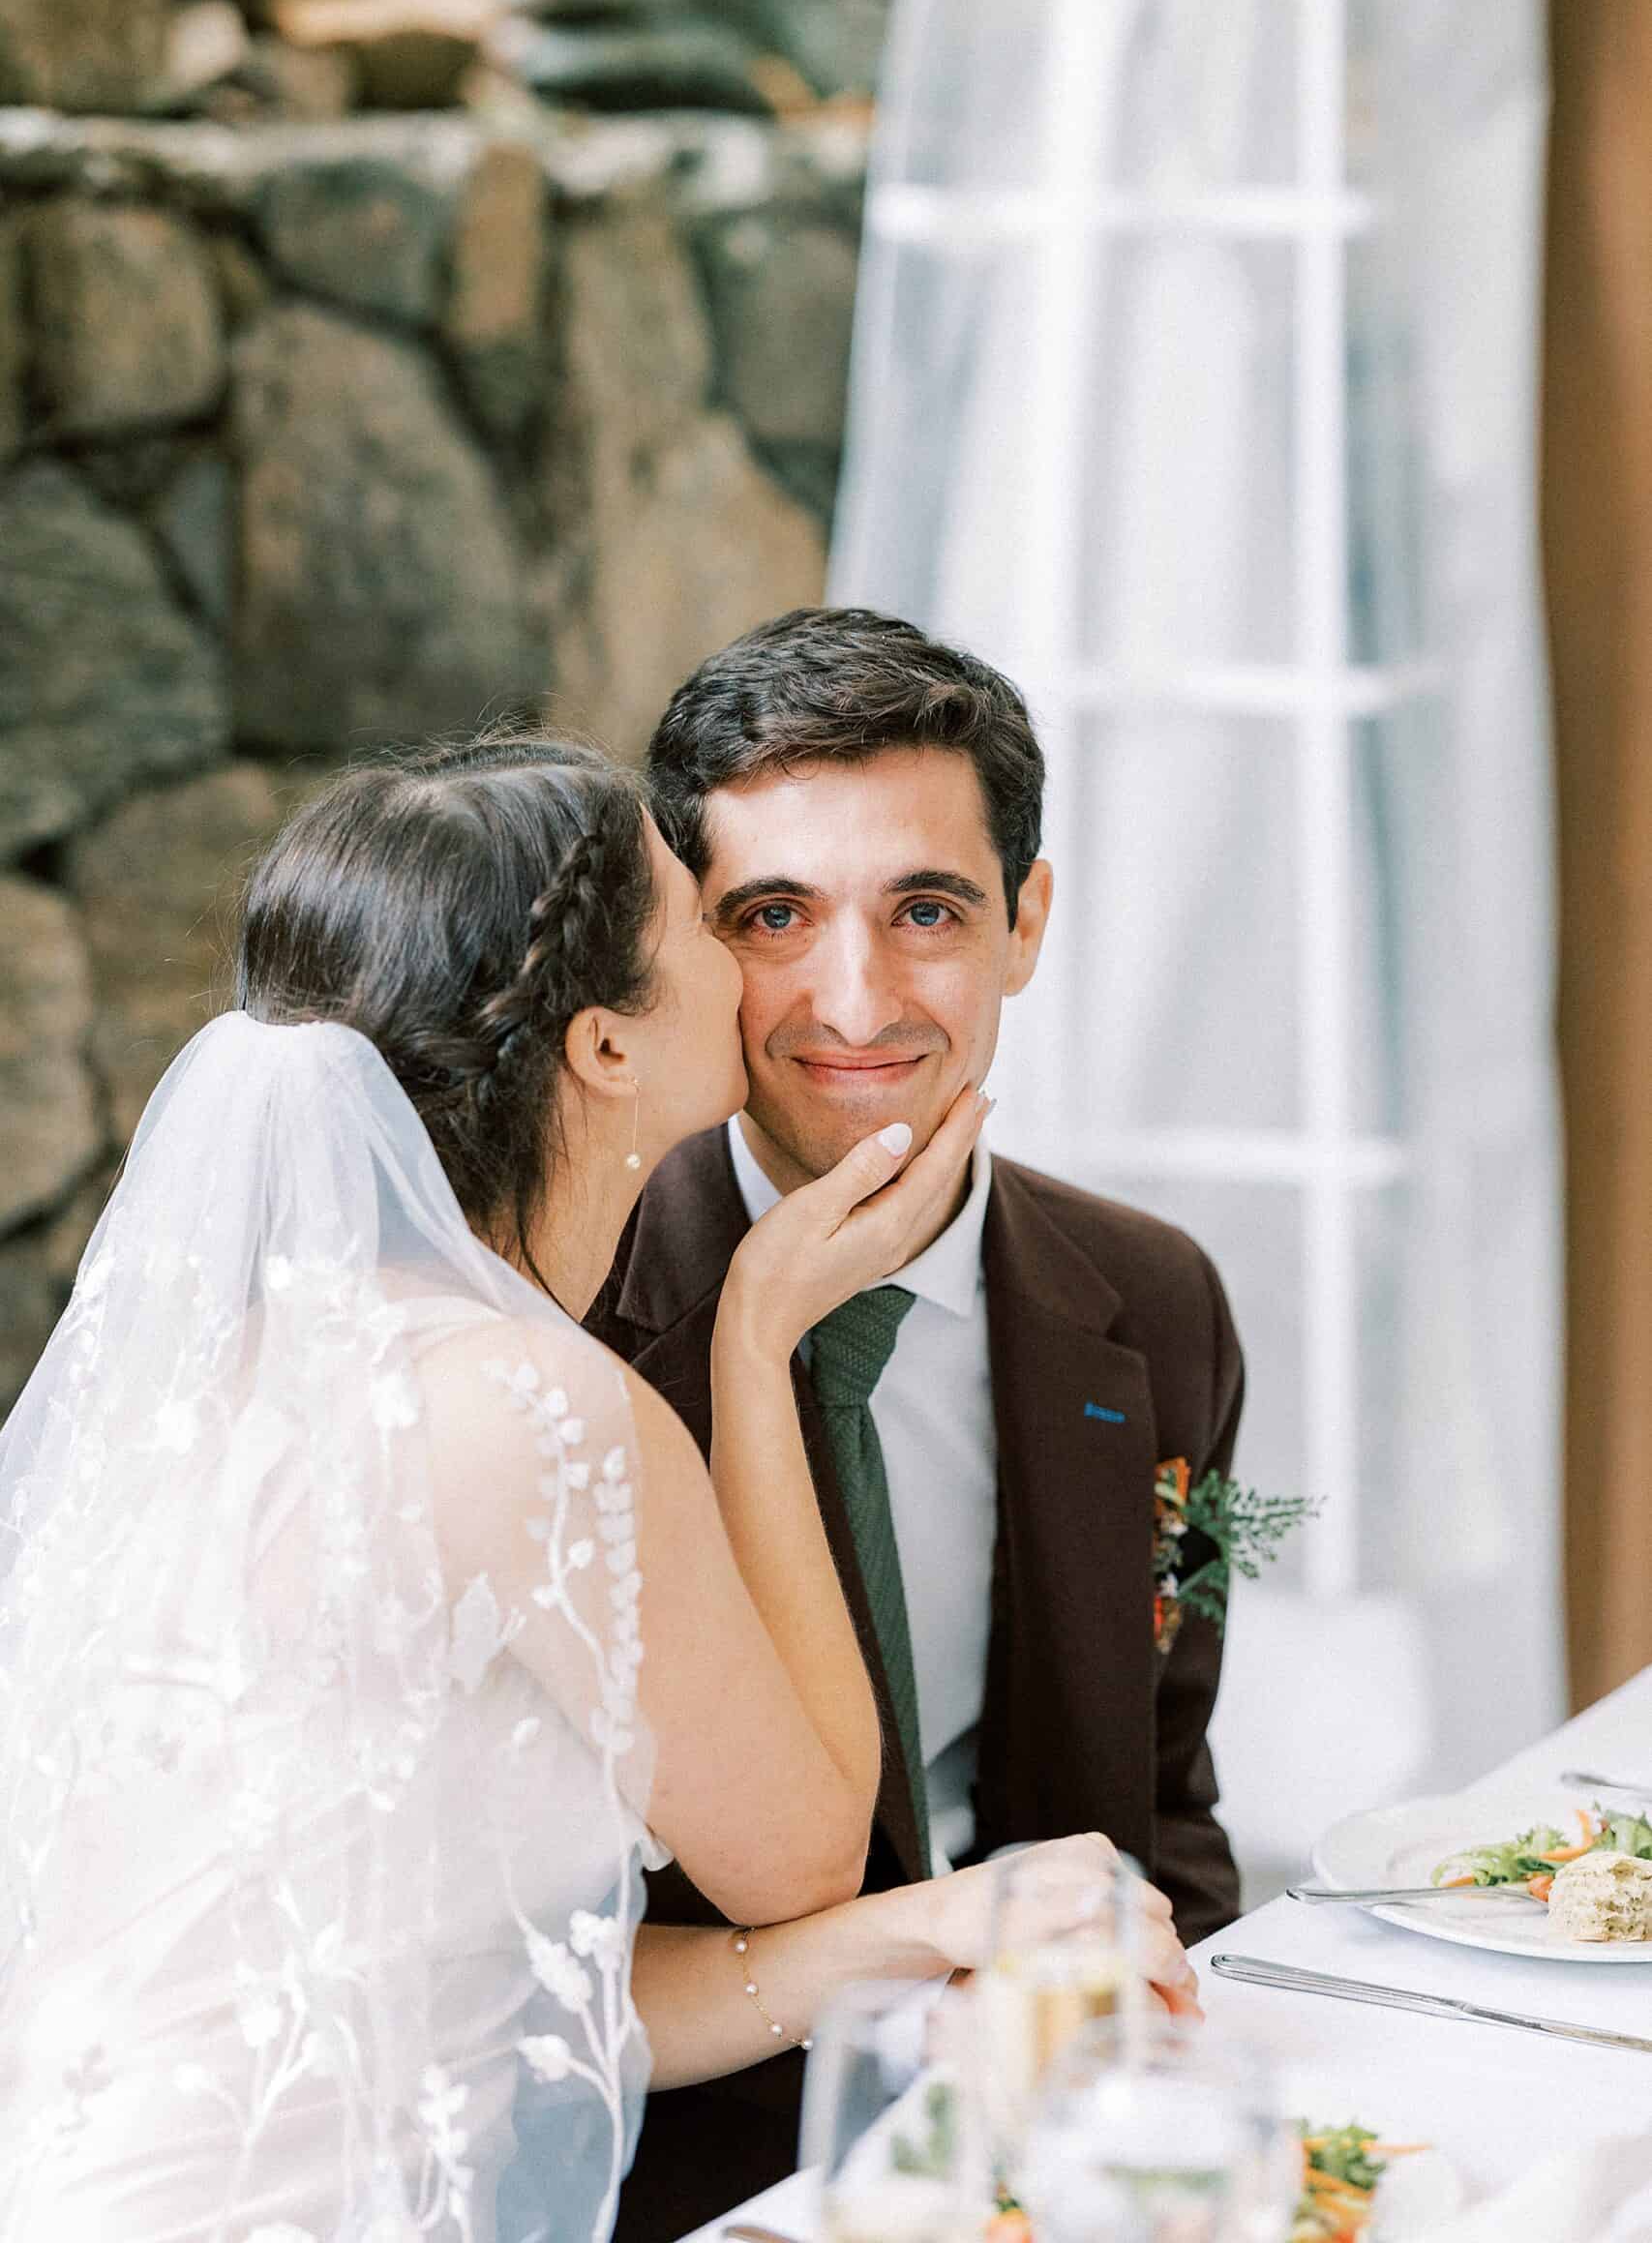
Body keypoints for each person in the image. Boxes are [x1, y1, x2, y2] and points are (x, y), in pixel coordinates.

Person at [0, 735, 1189, 2243]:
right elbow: (807, 1851)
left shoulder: (235, 1373)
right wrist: (759, 1342)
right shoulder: (528, 1405)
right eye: (711, 917)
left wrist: (941, 1922)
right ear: (606, 1049)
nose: (772, 972)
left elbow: (483, 1989)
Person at [589, 611, 1245, 2243]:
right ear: (677, 944)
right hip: (670, 2180)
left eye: (928, 908)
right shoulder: (557, 1337)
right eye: (774, 916)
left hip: (1066, 2141)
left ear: (1027, 921)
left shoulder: (1157, 1305)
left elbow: (1167, 1801)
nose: (855, 999)